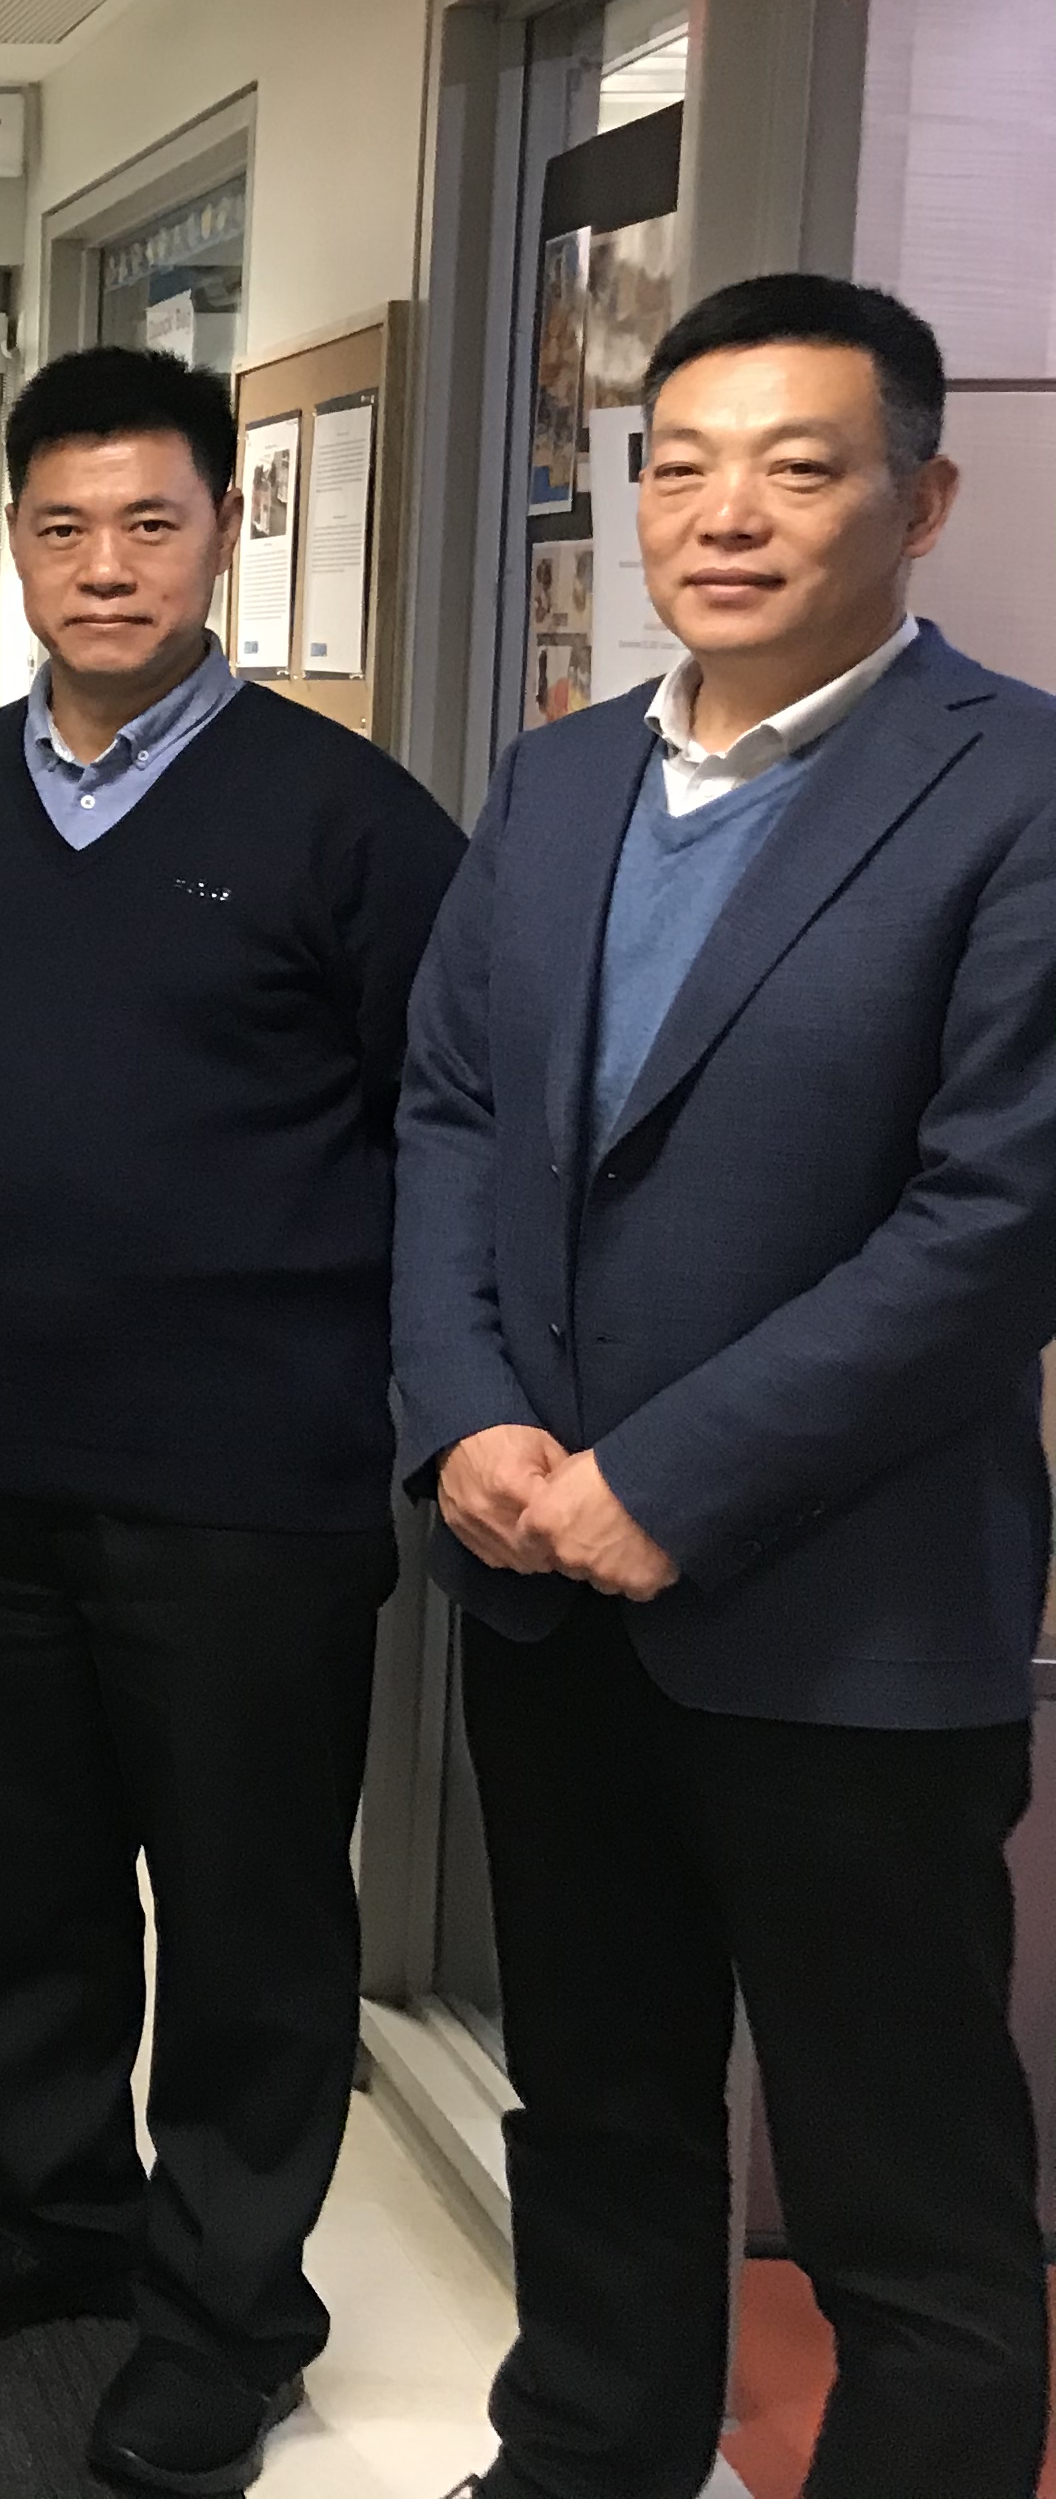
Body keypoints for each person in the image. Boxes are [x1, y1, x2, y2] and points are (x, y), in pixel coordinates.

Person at [396, 273, 1056, 2499]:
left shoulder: (1019, 789)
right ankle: (584, 2456)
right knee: (599, 2097)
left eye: (799, 467)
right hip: (544, 1586)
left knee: (899, 2171)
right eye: (678, 468)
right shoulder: (567, 775)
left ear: (919, 501)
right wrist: (466, 1412)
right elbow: (453, 1116)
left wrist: (670, 1478)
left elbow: (999, 1221)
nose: (726, 515)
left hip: (850, 1616)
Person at [0, 342, 466, 2499]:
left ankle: (228, 2313)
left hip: (247, 1483)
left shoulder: (353, 821)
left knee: (247, 1919)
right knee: (17, 1883)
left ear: (224, 531)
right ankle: (53, 2214)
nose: (104, 565)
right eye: (62, 526)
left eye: (149, 522)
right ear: (14, 542)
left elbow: (442, 1130)